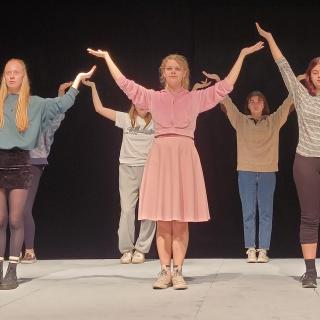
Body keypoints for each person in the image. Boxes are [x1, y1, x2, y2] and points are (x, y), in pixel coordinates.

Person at [87, 41, 264, 289]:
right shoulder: (152, 98)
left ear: (184, 74)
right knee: (162, 219)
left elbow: (225, 87)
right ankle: (163, 271)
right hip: (160, 157)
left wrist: (242, 55)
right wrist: (107, 58)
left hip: (184, 157)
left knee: (180, 219)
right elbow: (125, 84)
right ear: (163, 73)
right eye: (169, 68)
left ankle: (178, 271)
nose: (172, 71)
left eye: (177, 68)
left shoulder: (195, 98)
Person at [0, 58, 95, 290]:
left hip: (21, 162)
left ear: (23, 77)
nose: (12, 76)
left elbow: (62, 104)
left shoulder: (35, 104)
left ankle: (12, 270)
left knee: (15, 218)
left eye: (16, 72)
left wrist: (78, 81)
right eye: (7, 73)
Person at [197, 71, 294, 263]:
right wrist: (219, 83)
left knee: (266, 211)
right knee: (248, 210)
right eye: (252, 101)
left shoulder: (273, 121)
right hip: (246, 171)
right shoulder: (241, 120)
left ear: (264, 104)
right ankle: (250, 248)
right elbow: (226, 102)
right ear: (248, 105)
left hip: (268, 171)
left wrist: (298, 85)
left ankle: (263, 249)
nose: (256, 104)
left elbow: (289, 103)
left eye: (259, 101)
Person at [256, 22, 320, 288]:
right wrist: (270, 38)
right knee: (310, 216)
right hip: (306, 159)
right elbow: (283, 65)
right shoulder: (302, 95)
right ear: (309, 75)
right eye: (316, 72)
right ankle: (310, 272)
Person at [82, 79, 156, 264]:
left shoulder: (158, 122)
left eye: (146, 102)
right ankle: (126, 249)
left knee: (148, 212)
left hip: (149, 169)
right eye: (139, 101)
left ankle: (141, 249)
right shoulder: (125, 118)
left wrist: (193, 90)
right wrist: (93, 87)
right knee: (127, 210)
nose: (142, 105)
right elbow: (99, 109)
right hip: (127, 168)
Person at [21, 81, 73, 264]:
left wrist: (60, 94)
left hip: (34, 162)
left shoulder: (42, 120)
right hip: (10, 163)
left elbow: (57, 116)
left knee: (23, 208)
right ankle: (12, 252)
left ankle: (29, 251)